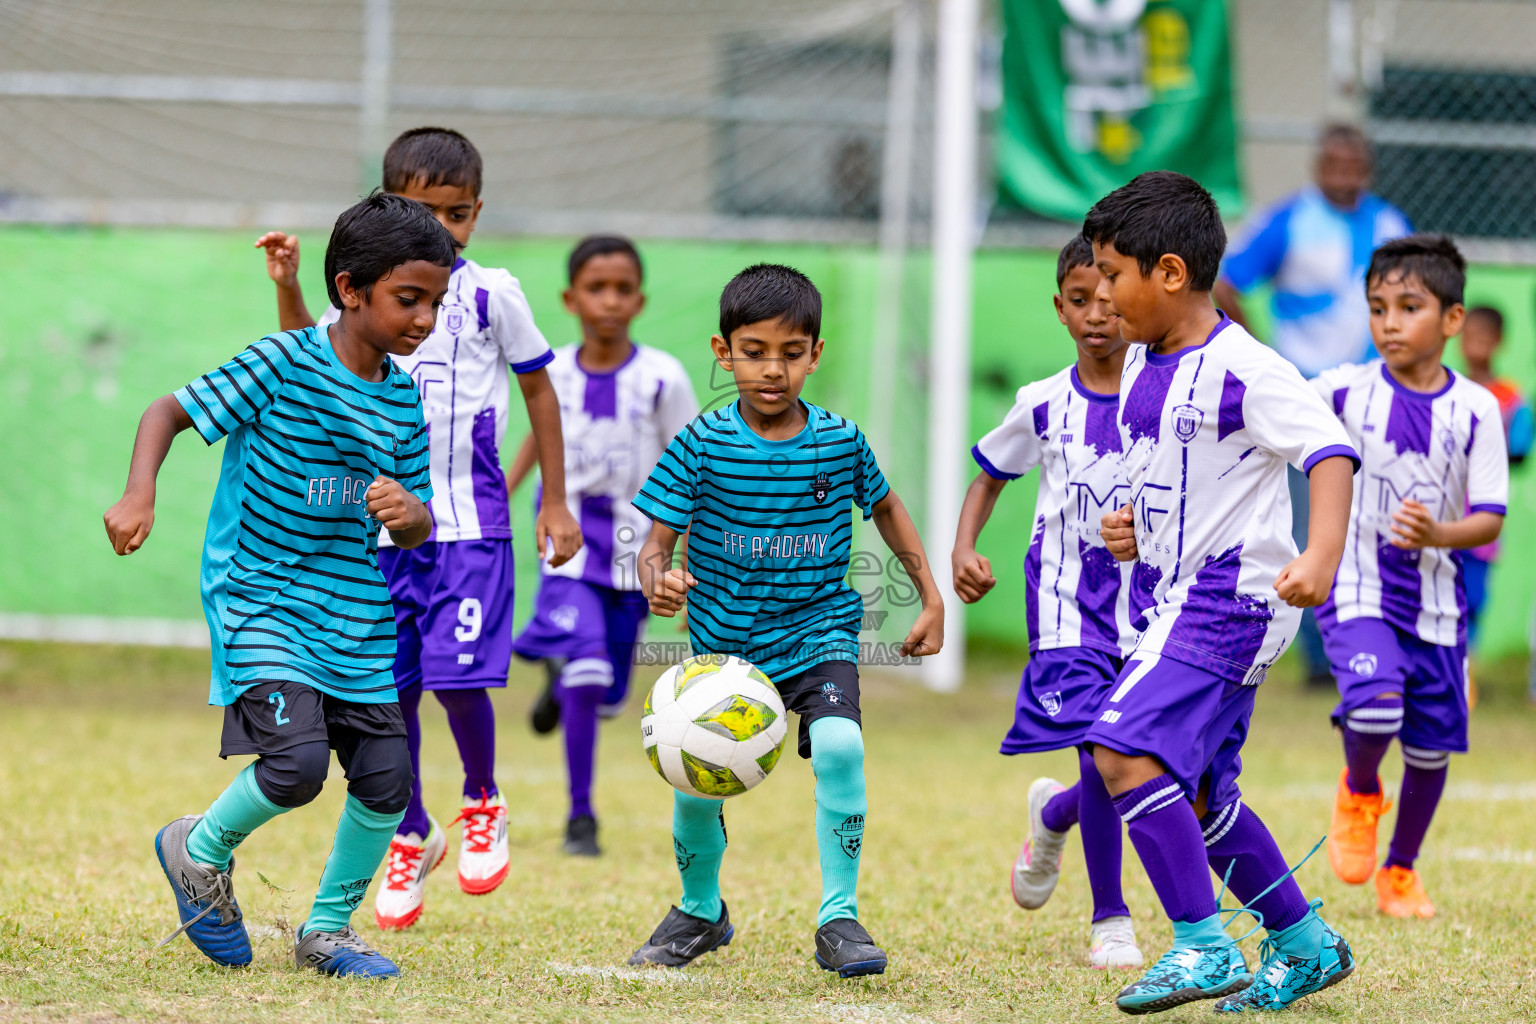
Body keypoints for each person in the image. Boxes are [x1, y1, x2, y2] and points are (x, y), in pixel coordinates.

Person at [104, 192, 454, 976]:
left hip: (355, 614)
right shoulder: (280, 362)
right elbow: (166, 411)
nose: (425, 318)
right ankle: (197, 852)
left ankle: (326, 931)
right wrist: (138, 494)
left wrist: (411, 516)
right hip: (261, 597)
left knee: (388, 780)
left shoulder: (404, 399)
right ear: (350, 289)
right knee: (295, 769)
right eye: (409, 299)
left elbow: (416, 525)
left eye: (436, 301)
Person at [253, 127, 581, 932]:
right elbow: (307, 357)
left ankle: (483, 798)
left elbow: (540, 391)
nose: (443, 228)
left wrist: (554, 500)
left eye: (457, 213)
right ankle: (412, 830)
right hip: (381, 533)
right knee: (384, 695)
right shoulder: (372, 295)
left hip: (470, 524)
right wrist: (288, 285)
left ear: (477, 213)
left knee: (458, 676)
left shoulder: (492, 293)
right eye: (423, 211)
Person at [1089, 171, 1361, 1013]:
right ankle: (1305, 944)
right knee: (1204, 794)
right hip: (1174, 597)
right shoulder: (1142, 360)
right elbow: (1177, 471)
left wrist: (1320, 554)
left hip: (1230, 599)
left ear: (1170, 273)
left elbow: (1330, 451)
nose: (1103, 295)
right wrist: (1135, 526)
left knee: (1121, 750)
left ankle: (1202, 947)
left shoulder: (1246, 366)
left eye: (1112, 275)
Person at [625, 264, 944, 977]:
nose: (773, 369)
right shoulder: (700, 443)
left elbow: (887, 507)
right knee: (694, 777)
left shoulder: (840, 441)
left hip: (818, 633)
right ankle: (700, 910)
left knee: (840, 747)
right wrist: (658, 581)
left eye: (791, 352)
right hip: (724, 651)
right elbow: (654, 545)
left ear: (815, 354)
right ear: (723, 351)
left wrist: (930, 596)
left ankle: (840, 918)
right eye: (755, 351)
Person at [951, 236, 1143, 969]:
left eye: (1109, 299)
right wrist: (965, 547)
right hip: (1066, 610)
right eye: (1080, 300)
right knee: (1101, 750)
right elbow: (989, 477)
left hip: (1151, 612)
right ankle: (1111, 920)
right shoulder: (1043, 402)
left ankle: (1054, 814)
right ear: (1060, 308)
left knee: (1131, 759)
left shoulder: (1164, 396)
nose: (1097, 314)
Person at [1313, 237, 1508, 920]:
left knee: (1429, 751)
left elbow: (1489, 517)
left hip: (1436, 604)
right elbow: (1269, 409)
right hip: (1356, 585)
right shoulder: (1342, 390)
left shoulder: (1477, 409)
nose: (1389, 323)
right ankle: (1362, 788)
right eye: (1377, 308)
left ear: (1452, 319)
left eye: (1408, 307)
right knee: (1374, 709)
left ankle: (1400, 870)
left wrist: (1438, 535)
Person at [508, 235, 699, 856]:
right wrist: (504, 491)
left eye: (623, 289)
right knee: (590, 669)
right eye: (597, 288)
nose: (609, 301)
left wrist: (689, 563)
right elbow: (540, 434)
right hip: (567, 544)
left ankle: (556, 671)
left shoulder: (662, 377)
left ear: (640, 300)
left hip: (636, 554)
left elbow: (692, 468)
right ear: (571, 299)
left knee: (611, 695)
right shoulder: (553, 371)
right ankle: (581, 818)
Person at [1214, 123, 1413, 688]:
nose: (1344, 176)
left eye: (1354, 166)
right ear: (1318, 166)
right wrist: (1262, 357)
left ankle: (1382, 644)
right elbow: (1227, 284)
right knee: (1311, 523)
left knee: (1381, 519)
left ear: (1367, 169)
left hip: (1377, 395)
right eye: (1334, 165)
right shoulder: (1289, 221)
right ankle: (1321, 660)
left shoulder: (1391, 225)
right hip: (1309, 397)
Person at [1455, 306, 1531, 647]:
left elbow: (1520, 452)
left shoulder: (1512, 398)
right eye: (1470, 336)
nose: (1477, 344)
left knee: (1472, 597)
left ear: (1499, 341)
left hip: (1483, 517)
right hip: (1443, 514)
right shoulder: (1447, 390)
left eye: (1484, 336)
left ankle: (1466, 661)